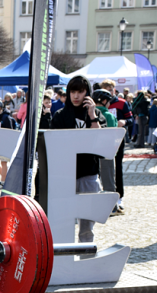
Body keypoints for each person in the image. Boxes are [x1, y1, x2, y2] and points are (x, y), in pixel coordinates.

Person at [50, 75, 106, 243]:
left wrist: (92, 115)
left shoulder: (95, 114)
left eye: (80, 92)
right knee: (63, 219)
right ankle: (64, 255)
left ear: (87, 93)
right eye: (73, 92)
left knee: (87, 222)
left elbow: (101, 139)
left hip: (88, 171)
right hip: (65, 173)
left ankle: (86, 257)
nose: (76, 96)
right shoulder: (60, 115)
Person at [100, 79, 133, 213]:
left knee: (117, 167)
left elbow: (131, 119)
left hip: (117, 138)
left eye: (110, 89)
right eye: (106, 90)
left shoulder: (122, 103)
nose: (108, 92)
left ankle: (119, 197)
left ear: (114, 90)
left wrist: (124, 121)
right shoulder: (99, 104)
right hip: (102, 139)